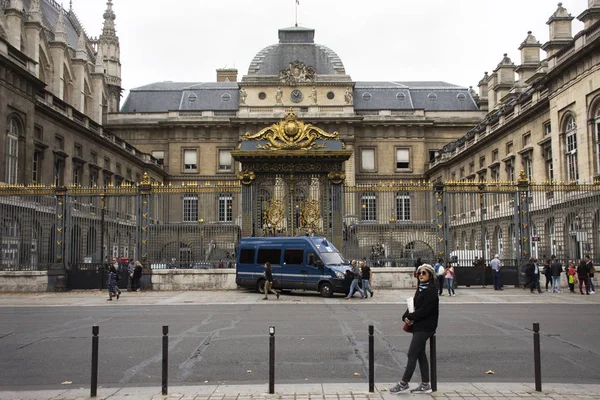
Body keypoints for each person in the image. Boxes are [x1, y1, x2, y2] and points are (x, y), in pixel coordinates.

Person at [389, 264, 438, 394]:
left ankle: (404, 383)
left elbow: (424, 311)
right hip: (419, 326)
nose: (421, 275)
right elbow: (414, 305)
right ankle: (426, 384)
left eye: (424, 273)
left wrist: (411, 316)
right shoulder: (421, 289)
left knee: (412, 354)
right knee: (420, 355)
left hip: (426, 326)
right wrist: (405, 316)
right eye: (419, 273)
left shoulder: (431, 290)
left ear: (430, 276)